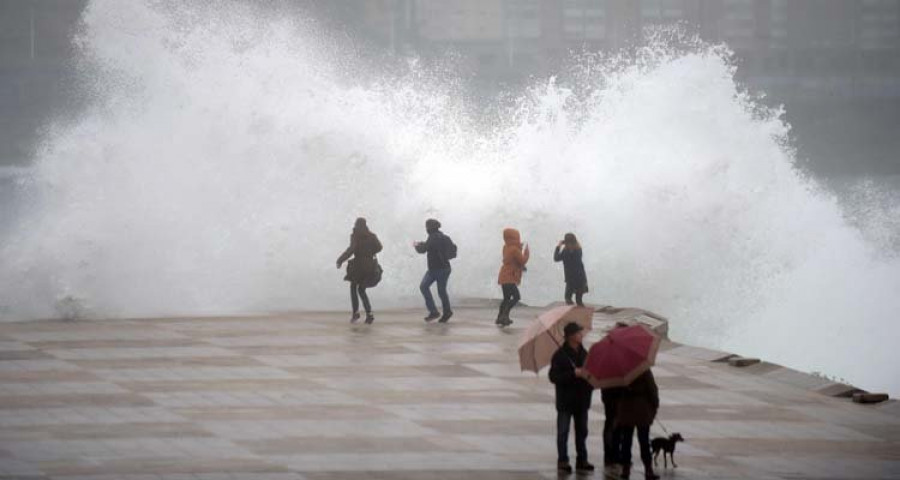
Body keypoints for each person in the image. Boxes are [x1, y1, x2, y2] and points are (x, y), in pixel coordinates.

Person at [548, 322, 595, 474]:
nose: (581, 336)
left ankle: (582, 459)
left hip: (582, 401)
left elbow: (591, 374)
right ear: (570, 336)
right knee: (563, 432)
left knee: (582, 431)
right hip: (565, 402)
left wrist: (588, 378)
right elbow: (553, 376)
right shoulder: (559, 355)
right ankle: (563, 460)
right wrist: (573, 374)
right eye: (579, 333)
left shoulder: (584, 353)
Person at [613, 369, 660, 480]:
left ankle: (626, 469)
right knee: (644, 440)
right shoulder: (643, 369)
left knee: (626, 440)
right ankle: (648, 469)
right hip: (641, 410)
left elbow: (615, 392)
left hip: (626, 410)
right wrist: (655, 404)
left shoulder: (622, 372)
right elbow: (652, 389)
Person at [336, 218, 383, 324]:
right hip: (370, 266)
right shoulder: (372, 236)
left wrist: (340, 260)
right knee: (361, 289)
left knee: (353, 287)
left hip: (359, 266)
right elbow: (380, 247)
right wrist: (370, 252)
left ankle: (356, 313)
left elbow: (351, 249)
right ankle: (369, 314)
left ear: (356, 225)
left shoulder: (355, 236)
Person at [414, 218, 456, 323]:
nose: (426, 229)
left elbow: (423, 249)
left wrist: (416, 246)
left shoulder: (433, 237)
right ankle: (444, 312)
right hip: (443, 268)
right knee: (440, 291)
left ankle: (436, 312)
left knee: (424, 287)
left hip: (438, 269)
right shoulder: (444, 237)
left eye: (427, 227)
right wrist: (423, 244)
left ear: (430, 228)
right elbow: (431, 246)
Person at [496, 228, 529, 327]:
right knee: (516, 297)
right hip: (509, 276)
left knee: (506, 298)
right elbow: (522, 260)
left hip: (504, 275)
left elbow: (513, 260)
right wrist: (526, 253)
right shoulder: (514, 249)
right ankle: (504, 316)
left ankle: (500, 317)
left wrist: (519, 249)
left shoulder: (506, 247)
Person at [553, 233, 588, 306]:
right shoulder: (578, 250)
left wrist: (558, 246)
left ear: (565, 241)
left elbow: (556, 258)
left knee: (568, 298)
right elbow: (576, 246)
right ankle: (580, 313)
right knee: (579, 300)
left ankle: (570, 313)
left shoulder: (565, 251)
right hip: (580, 276)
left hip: (570, 276)